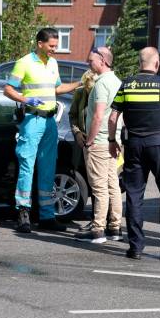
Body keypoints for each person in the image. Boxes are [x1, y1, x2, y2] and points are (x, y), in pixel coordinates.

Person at [108, 47, 160, 260]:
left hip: (134, 146)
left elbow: (112, 117)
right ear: (156, 64)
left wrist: (112, 141)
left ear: (139, 63)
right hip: (159, 146)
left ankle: (135, 248)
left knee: (135, 196)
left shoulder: (127, 85)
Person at [3, 28, 80, 233]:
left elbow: (57, 89)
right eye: (52, 45)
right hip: (32, 119)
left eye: (56, 45)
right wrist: (25, 99)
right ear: (40, 44)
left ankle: (47, 216)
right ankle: (23, 213)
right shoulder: (25, 62)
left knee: (48, 168)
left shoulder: (53, 63)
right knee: (27, 166)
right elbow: (8, 89)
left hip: (49, 122)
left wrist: (80, 84)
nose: (55, 49)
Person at [75, 47, 123, 243]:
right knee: (113, 185)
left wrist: (89, 140)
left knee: (99, 187)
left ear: (102, 60)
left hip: (100, 142)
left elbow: (98, 115)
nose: (88, 63)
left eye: (90, 60)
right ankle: (115, 227)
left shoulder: (102, 84)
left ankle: (97, 229)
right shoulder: (117, 81)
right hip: (113, 141)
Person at [70, 69, 97, 231]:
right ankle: (97, 218)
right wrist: (77, 132)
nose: (89, 93)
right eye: (87, 89)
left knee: (104, 185)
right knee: (92, 183)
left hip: (101, 144)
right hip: (84, 144)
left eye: (91, 90)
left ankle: (106, 221)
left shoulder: (104, 91)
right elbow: (72, 115)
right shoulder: (80, 93)